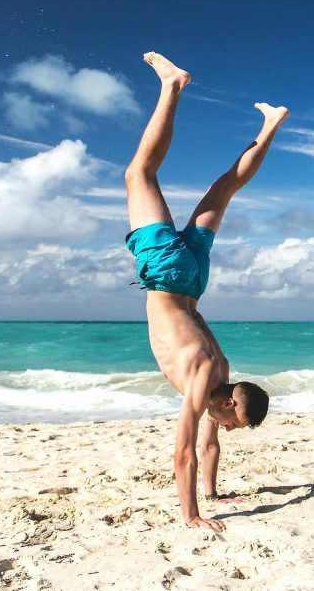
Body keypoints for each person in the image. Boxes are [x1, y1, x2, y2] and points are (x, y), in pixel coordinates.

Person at [124, 52, 289, 532]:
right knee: (140, 174)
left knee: (223, 190)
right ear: (228, 403)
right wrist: (193, 515)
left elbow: (210, 440)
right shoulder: (204, 376)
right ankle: (172, 85)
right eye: (233, 421)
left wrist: (215, 493)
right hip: (171, 276)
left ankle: (272, 122)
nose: (225, 428)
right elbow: (184, 451)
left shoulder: (225, 374)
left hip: (194, 281)